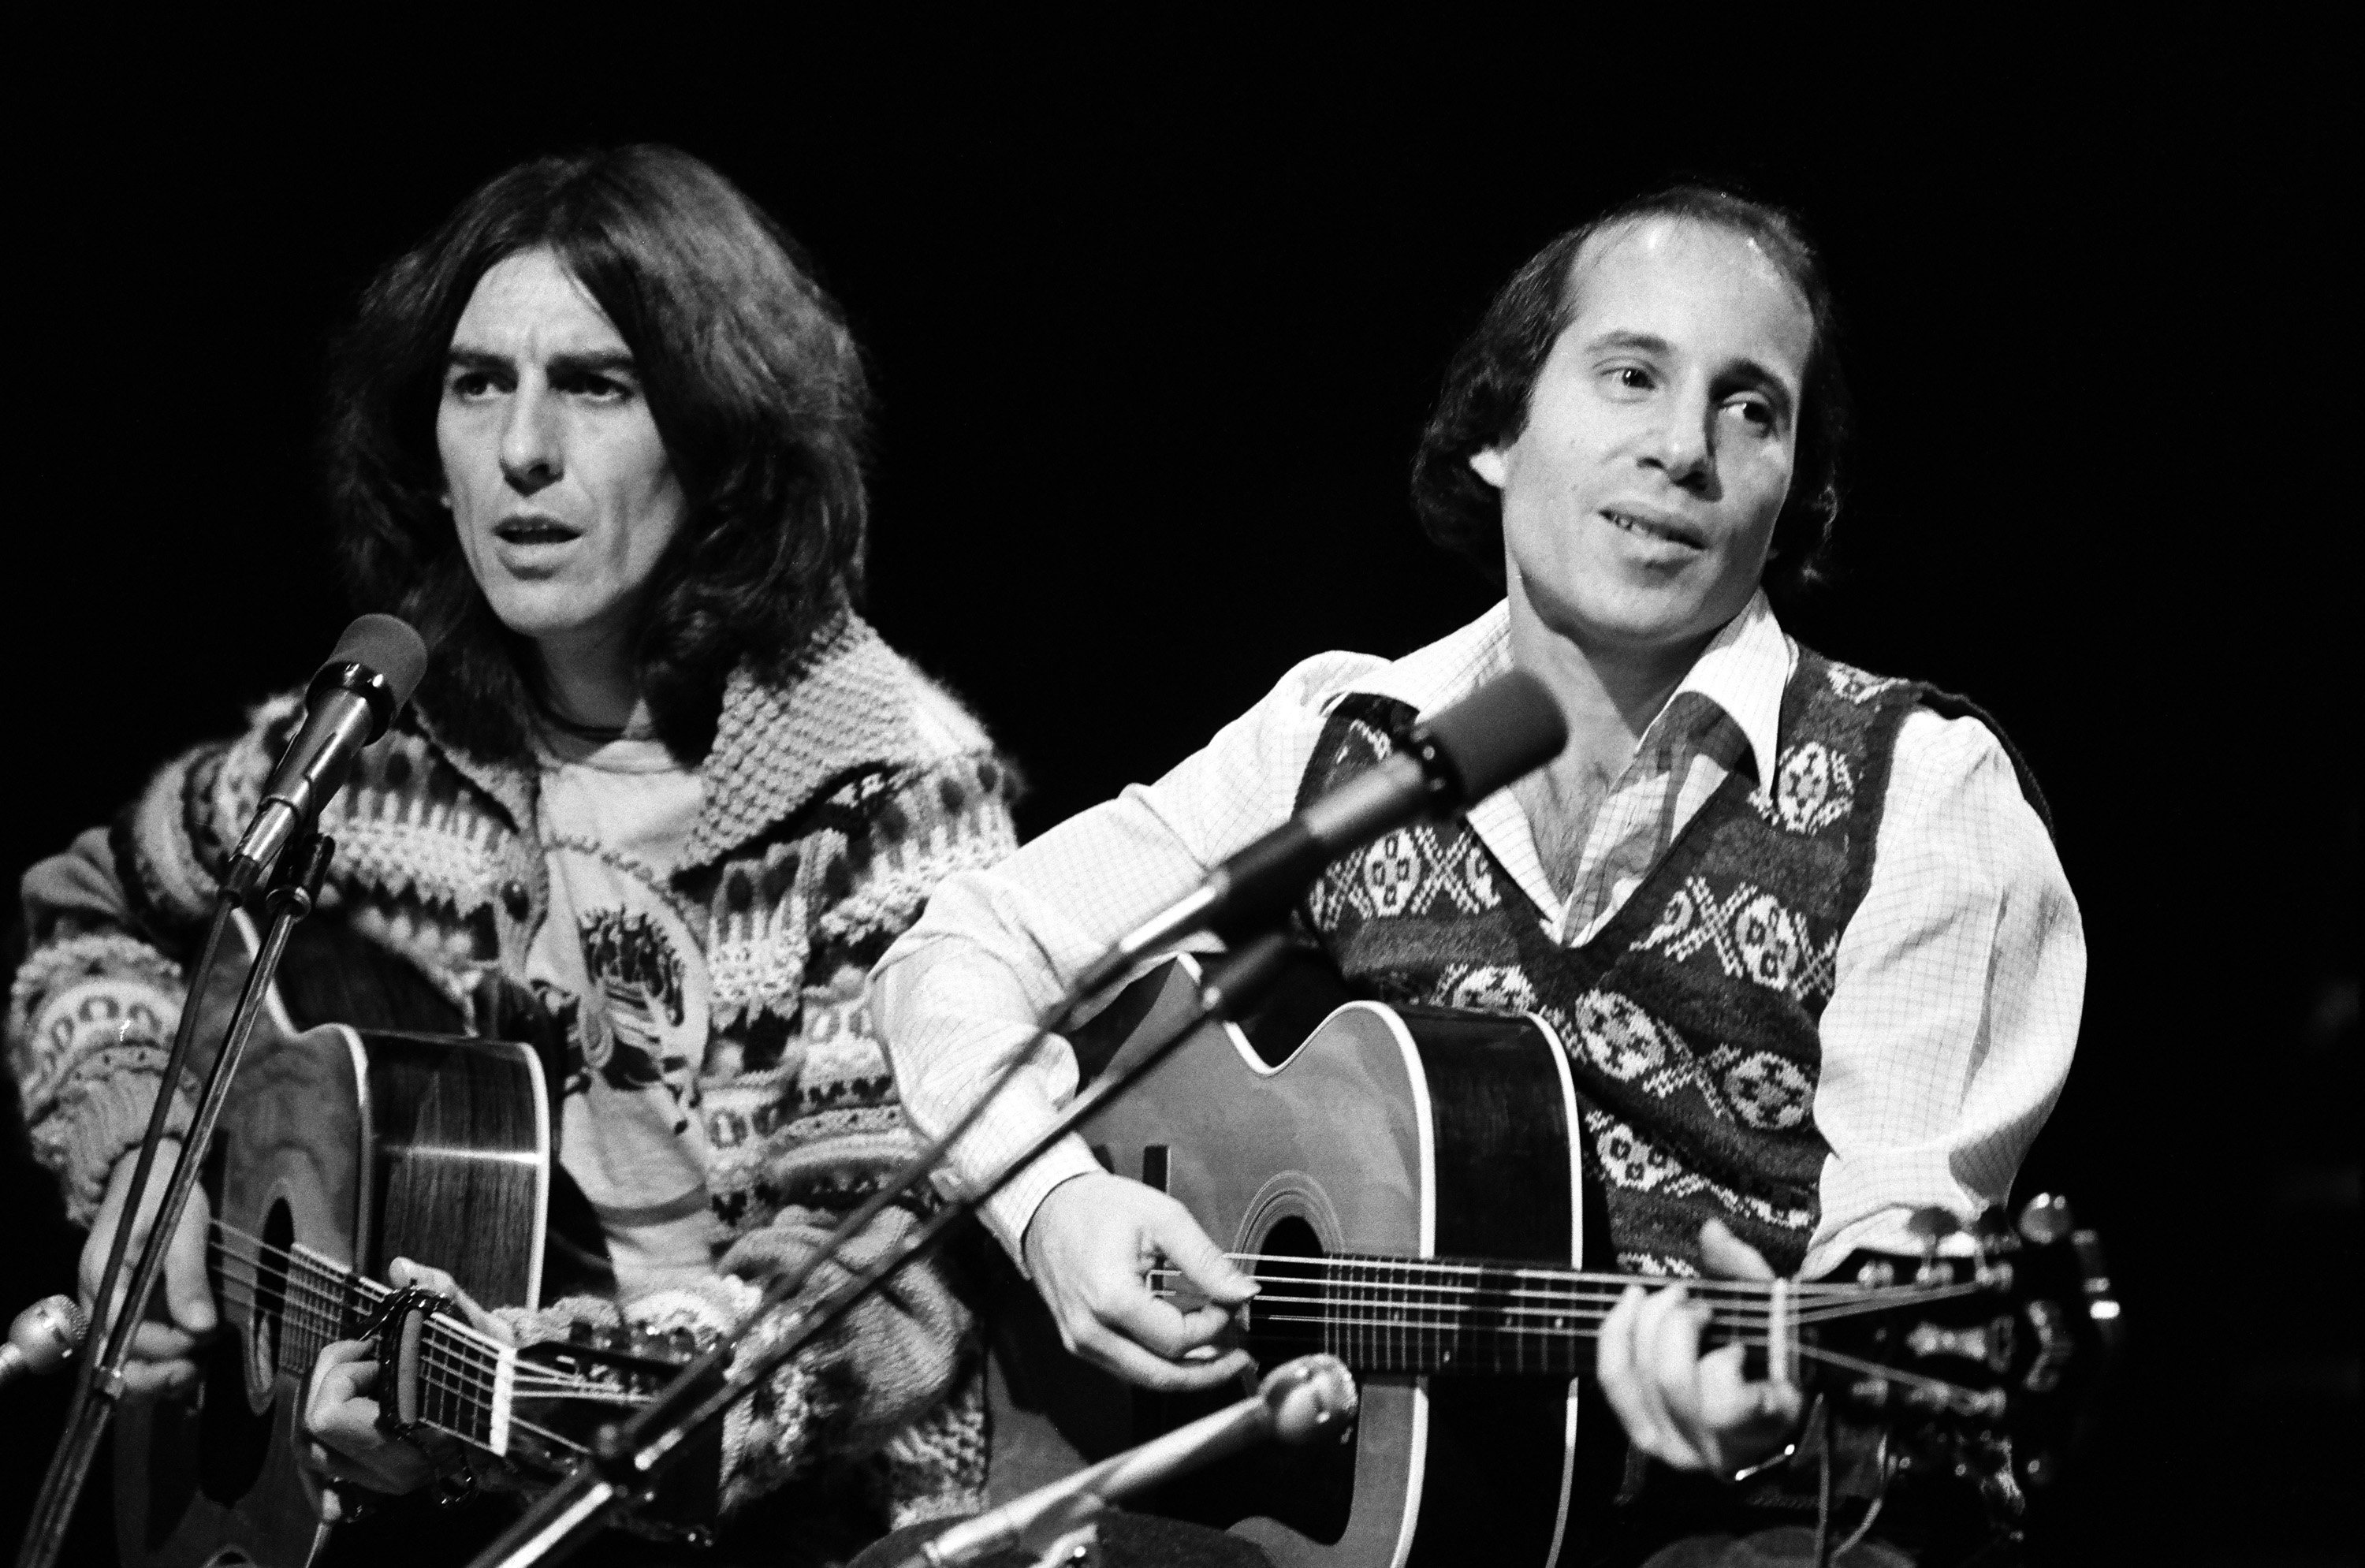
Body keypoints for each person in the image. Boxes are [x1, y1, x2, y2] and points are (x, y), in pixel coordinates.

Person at [870, 186, 2084, 1565]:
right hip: (1360, 1510)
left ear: (1796, 486)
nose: (1684, 448)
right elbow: (957, 946)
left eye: (1753, 409)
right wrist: (1055, 1210)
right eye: (1631, 374)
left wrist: (1788, 1390)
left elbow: (1896, 1245)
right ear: (1499, 432)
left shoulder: (1919, 789)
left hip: (1749, 1521)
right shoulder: (1346, 736)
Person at [8, 146, 1018, 1561]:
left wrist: (494, 1392)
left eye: (594, 385)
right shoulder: (386, 744)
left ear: (722, 434)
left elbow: (880, 1273)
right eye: (479, 383)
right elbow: (91, 907)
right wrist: (138, 1158)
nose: (521, 450)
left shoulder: (883, 787)